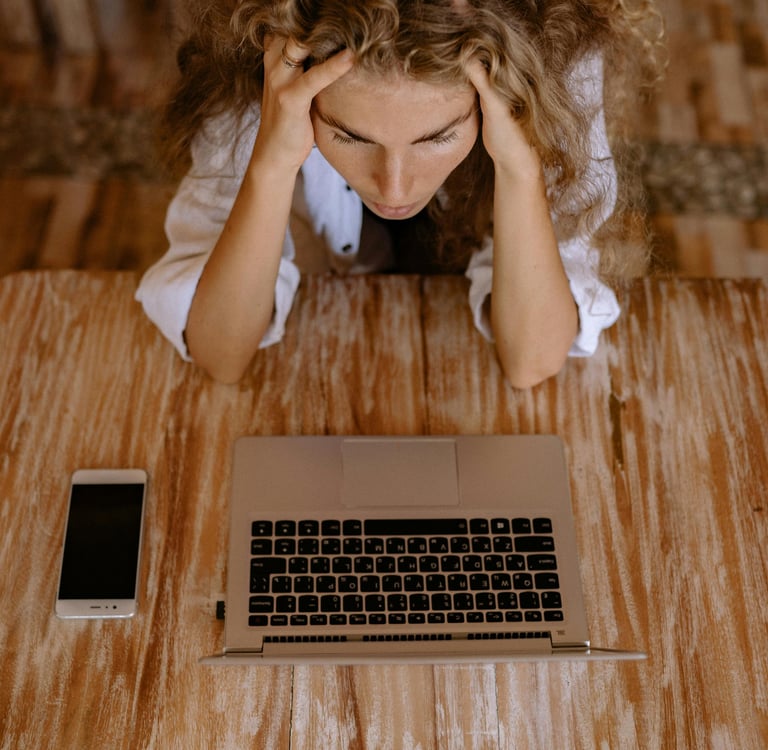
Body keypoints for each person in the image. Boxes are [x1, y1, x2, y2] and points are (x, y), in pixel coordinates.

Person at [136, 0, 663, 386]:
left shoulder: (554, 64)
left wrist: (521, 169)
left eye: (437, 137)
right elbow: (221, 354)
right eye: (349, 135)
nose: (394, 186)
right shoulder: (267, 64)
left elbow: (531, 360)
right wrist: (271, 162)